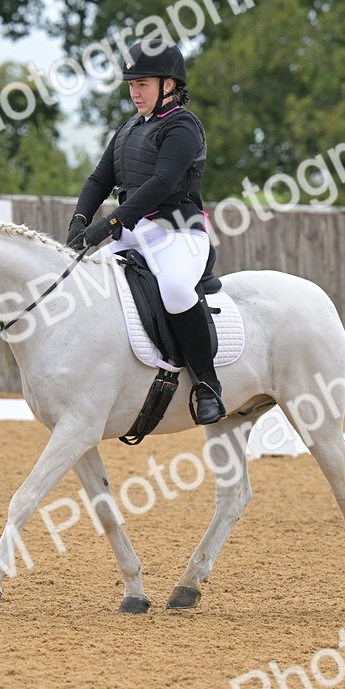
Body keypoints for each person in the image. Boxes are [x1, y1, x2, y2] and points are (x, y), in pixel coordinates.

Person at [66, 39, 225, 425]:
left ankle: (207, 385)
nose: (135, 92)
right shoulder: (128, 128)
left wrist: (109, 224)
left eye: (143, 84)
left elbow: (161, 182)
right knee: (81, 285)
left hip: (179, 233)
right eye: (131, 85)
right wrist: (80, 221)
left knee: (173, 288)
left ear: (168, 85)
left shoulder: (184, 126)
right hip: (132, 236)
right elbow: (99, 179)